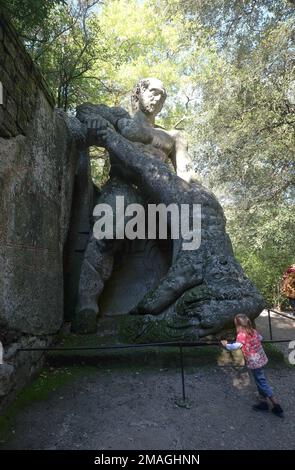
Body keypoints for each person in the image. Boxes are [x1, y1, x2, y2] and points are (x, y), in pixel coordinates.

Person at [221, 314, 284, 417]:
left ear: (238, 324)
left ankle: (276, 405)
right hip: (261, 359)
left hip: (254, 363)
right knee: (260, 381)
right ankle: (263, 403)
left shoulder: (241, 334)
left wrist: (226, 344)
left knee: (262, 383)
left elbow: (236, 346)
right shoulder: (253, 331)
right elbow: (261, 337)